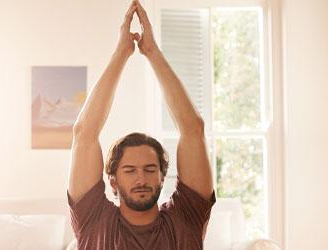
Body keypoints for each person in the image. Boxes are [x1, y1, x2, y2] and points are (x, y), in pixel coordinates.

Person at [66, 1, 216, 249]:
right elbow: (84, 134)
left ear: (161, 176)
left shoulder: (187, 218)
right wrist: (121, 54)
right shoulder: (94, 220)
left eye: (149, 169)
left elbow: (193, 130)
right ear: (113, 180)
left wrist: (152, 52)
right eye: (129, 170)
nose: (141, 178)